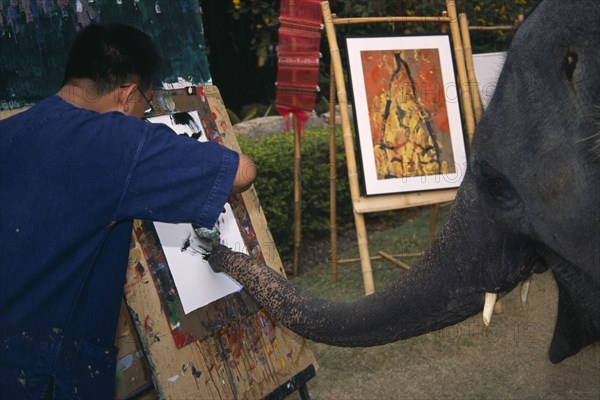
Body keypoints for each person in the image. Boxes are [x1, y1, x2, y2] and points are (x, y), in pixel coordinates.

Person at [0, 23, 256, 399]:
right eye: (146, 105)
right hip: (44, 378)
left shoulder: (11, 132)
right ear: (128, 95)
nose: (144, 114)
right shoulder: (118, 141)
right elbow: (242, 171)